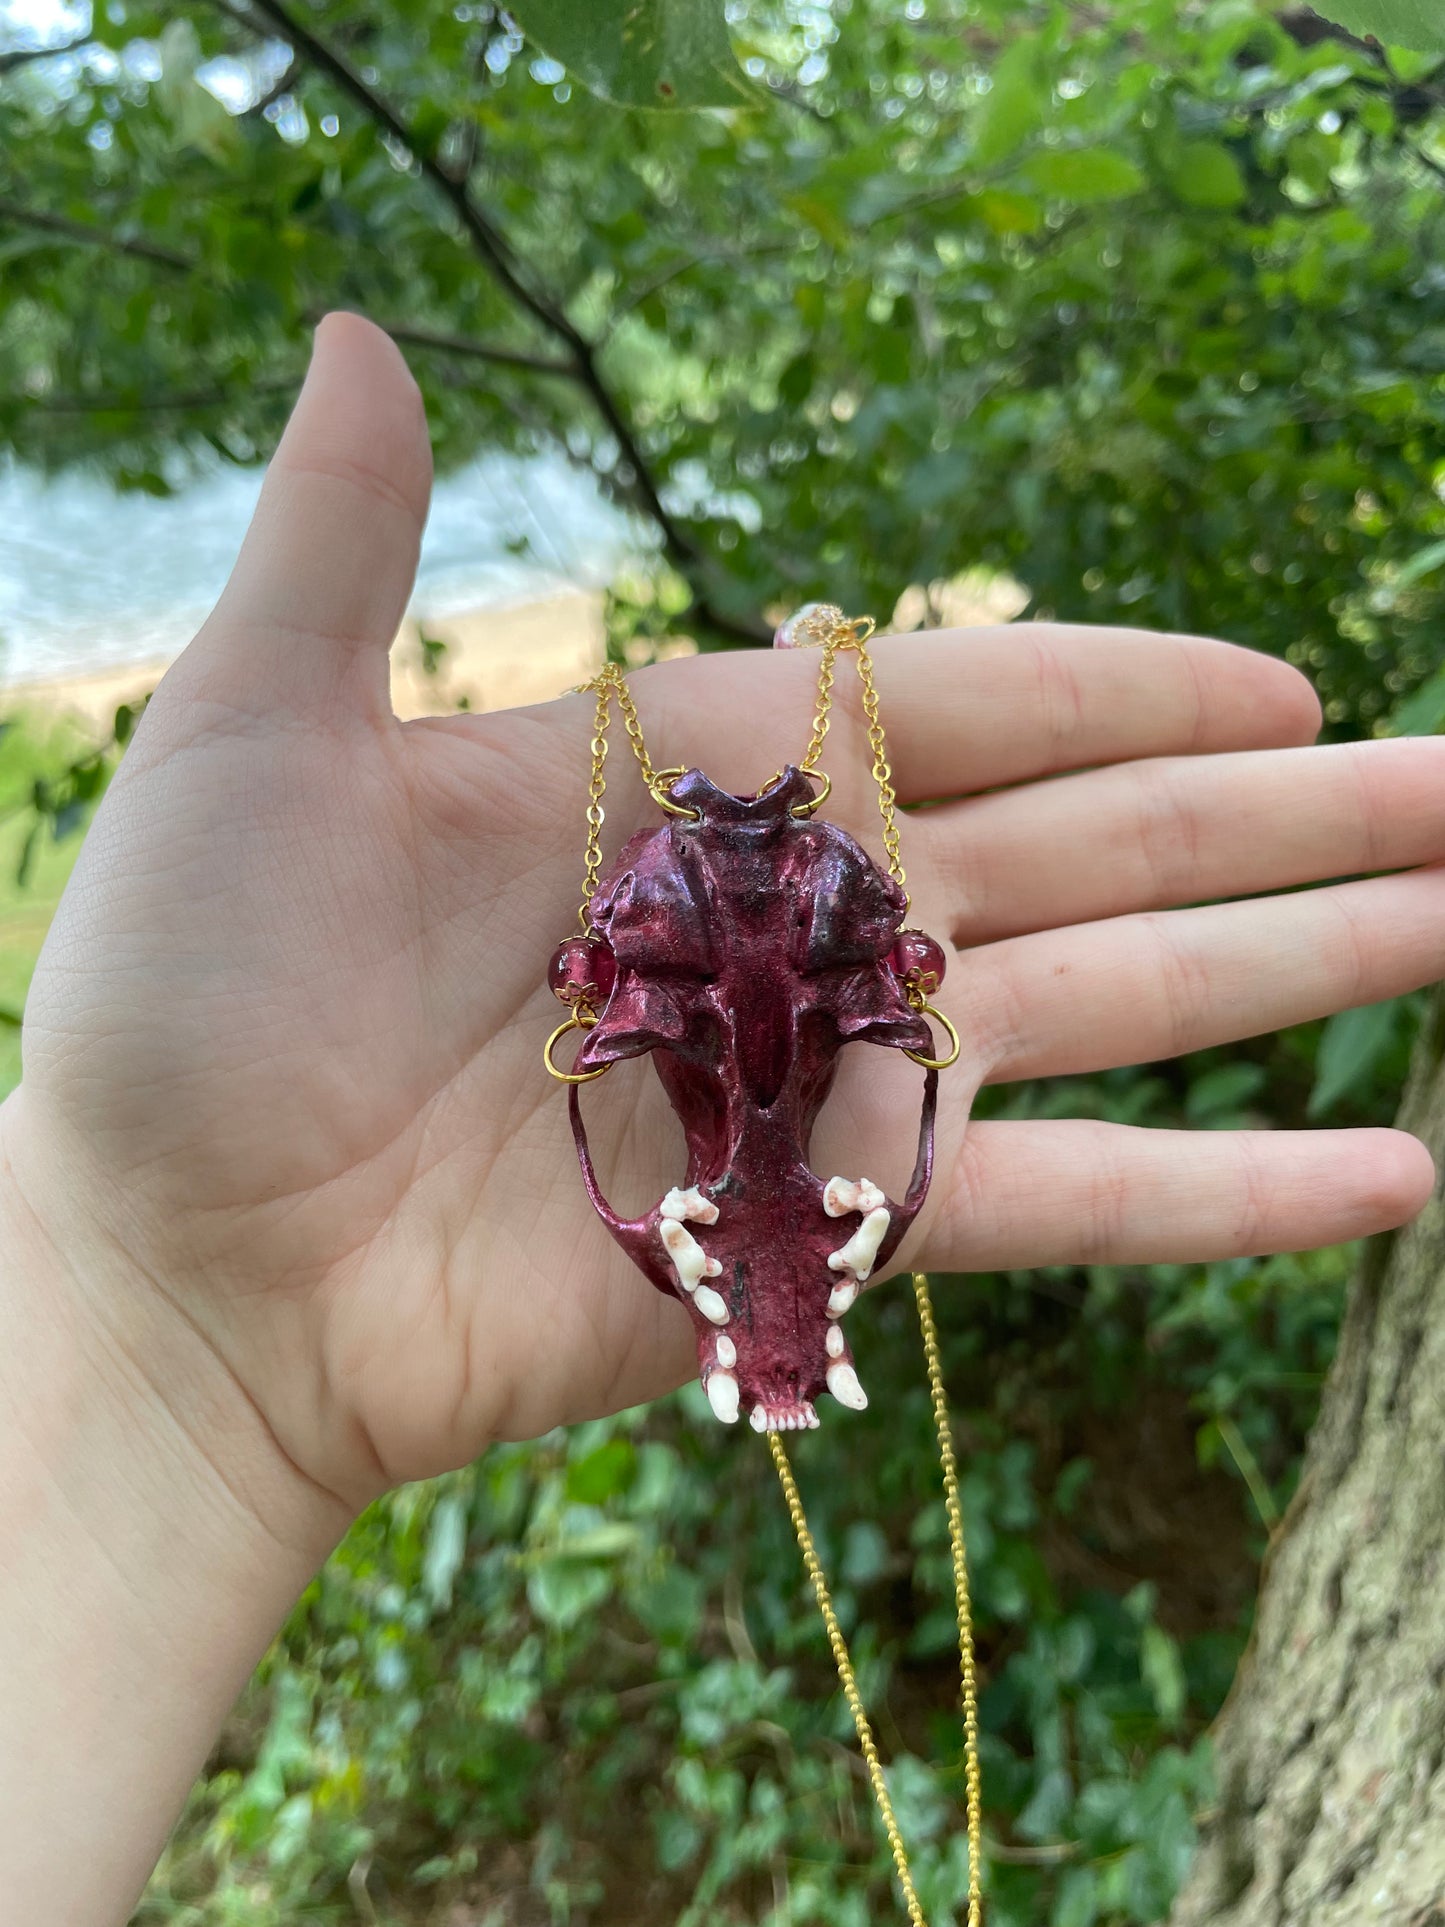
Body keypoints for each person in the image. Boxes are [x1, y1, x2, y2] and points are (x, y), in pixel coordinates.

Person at [3, 312, 1443, 1924]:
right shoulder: (673, 888)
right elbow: (624, 989)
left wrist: (126, 1317)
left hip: (767, 1115)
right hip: (719, 1134)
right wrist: (126, 1301)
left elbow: (853, 980)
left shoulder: (819, 878)